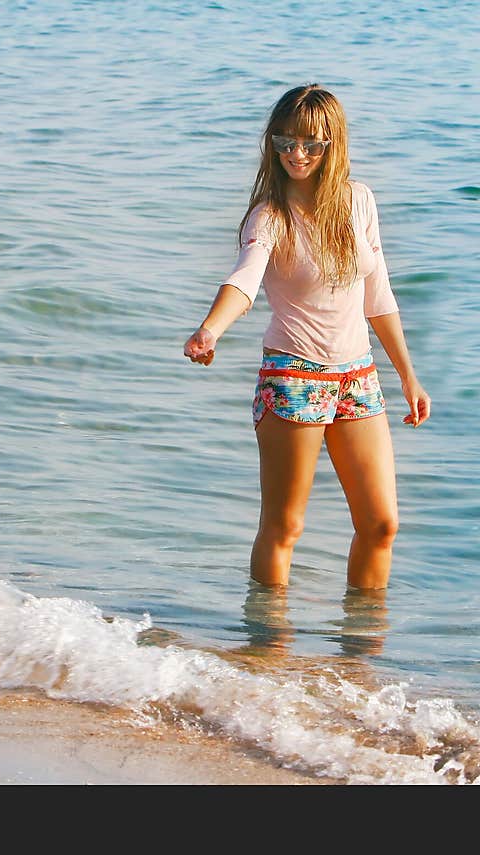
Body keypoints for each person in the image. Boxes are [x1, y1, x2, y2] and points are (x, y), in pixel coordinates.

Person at [184, 84, 430, 590]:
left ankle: (361, 658)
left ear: (333, 145)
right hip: (293, 375)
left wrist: (408, 376)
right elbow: (243, 281)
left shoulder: (359, 201)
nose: (297, 154)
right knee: (285, 527)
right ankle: (266, 653)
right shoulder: (269, 216)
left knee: (381, 525)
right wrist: (210, 330)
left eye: (312, 144)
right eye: (286, 142)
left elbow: (378, 296)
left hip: (358, 377)